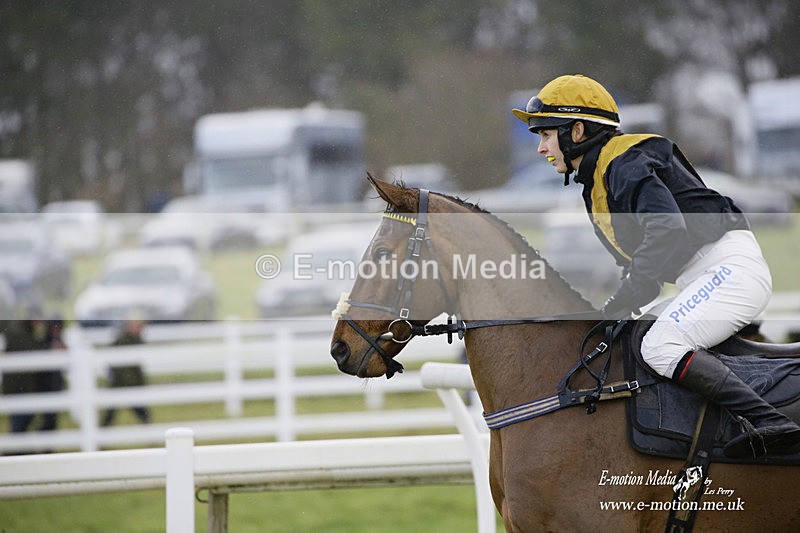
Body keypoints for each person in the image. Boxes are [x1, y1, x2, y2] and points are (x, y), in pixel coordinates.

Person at [512, 74, 800, 459]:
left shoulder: (624, 162)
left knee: (660, 345)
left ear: (576, 131)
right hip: (706, 276)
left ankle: (770, 422)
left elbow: (665, 231)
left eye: (545, 135)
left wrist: (627, 298)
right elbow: (638, 260)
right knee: (635, 339)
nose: (540, 148)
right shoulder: (599, 177)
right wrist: (617, 303)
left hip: (729, 271)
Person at [100, 317, 151, 426]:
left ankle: (151, 433)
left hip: (128, 384)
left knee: (141, 412)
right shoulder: (123, 340)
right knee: (110, 413)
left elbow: (136, 368)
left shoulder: (136, 340)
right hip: (121, 384)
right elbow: (116, 364)